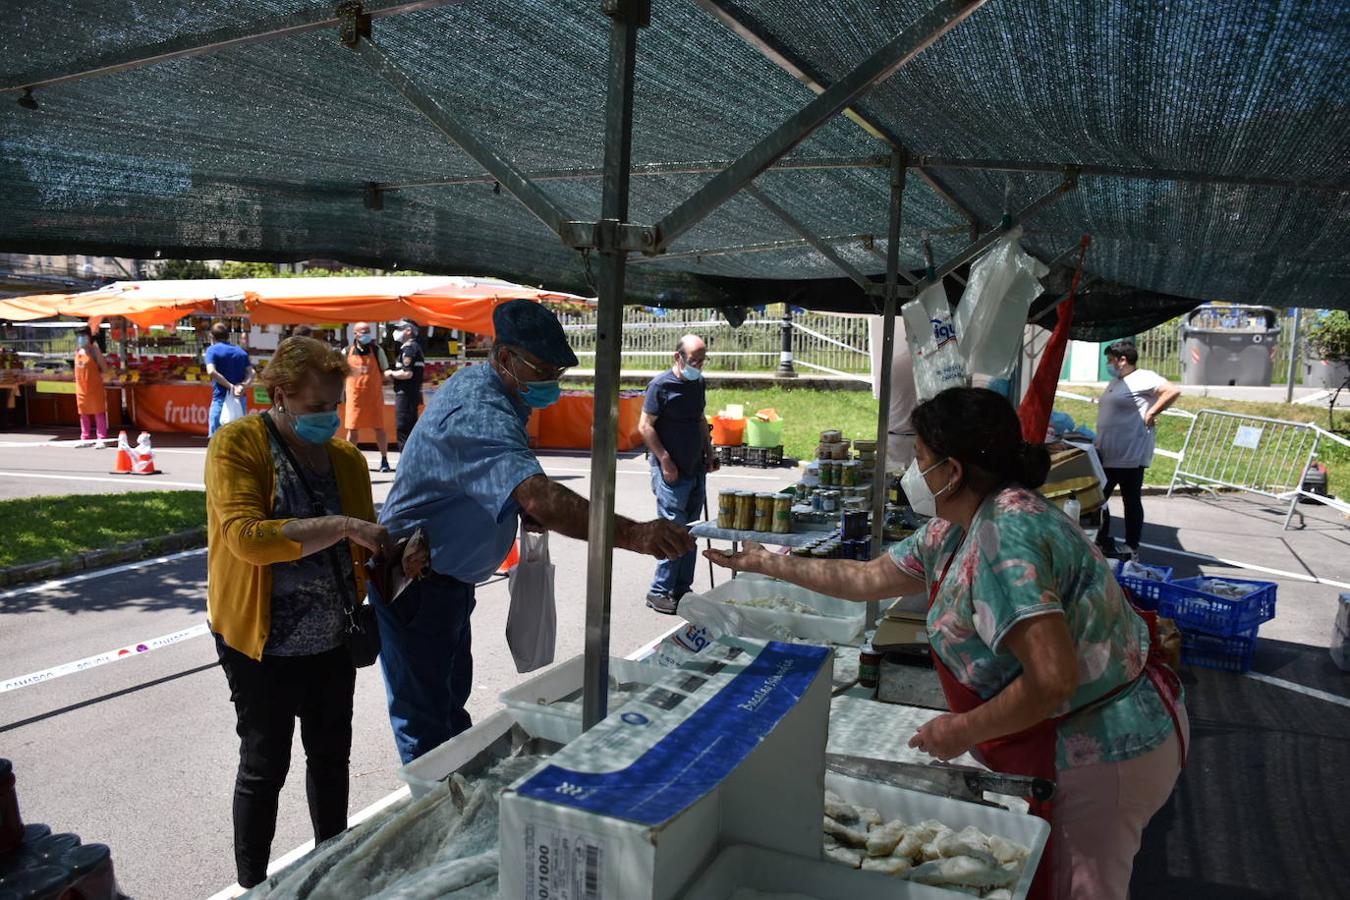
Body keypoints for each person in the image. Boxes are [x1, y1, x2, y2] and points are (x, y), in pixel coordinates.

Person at [708, 387, 1187, 900]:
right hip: (1073, 733)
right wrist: (770, 563)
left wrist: (960, 730)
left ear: (952, 471)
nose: (911, 475)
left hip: (1102, 748)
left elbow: (1052, 681)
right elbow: (868, 578)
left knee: (1079, 888)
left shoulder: (1006, 538)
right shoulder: (959, 526)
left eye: (919, 460)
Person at [376, 299, 696, 764]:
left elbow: (504, 488)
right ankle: (436, 803)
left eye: (558, 373)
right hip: (415, 582)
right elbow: (539, 496)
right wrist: (634, 534)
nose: (552, 383)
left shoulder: (500, 393)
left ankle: (452, 782)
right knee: (426, 725)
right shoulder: (478, 408)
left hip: (446, 581)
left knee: (446, 709)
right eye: (544, 369)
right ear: (505, 358)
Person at [204, 336, 391, 889]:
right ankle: (252, 882)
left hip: (333, 638)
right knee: (265, 767)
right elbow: (246, 539)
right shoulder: (237, 445)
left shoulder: (346, 459)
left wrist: (396, 553)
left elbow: (363, 545)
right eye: (317, 407)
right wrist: (343, 526)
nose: (330, 418)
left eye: (335, 405)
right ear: (279, 395)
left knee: (332, 759)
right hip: (260, 644)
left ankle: (332, 865)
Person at [639, 334, 717, 614]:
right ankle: (658, 590)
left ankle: (682, 587)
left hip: (695, 467)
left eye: (702, 360)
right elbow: (645, 426)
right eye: (694, 360)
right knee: (673, 530)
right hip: (670, 471)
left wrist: (709, 452)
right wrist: (664, 459)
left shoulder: (697, 382)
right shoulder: (660, 386)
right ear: (678, 357)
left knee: (692, 530)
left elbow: (699, 418)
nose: (698, 365)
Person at [1094, 341, 1181, 560]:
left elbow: (1172, 390)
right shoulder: (1117, 381)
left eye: (1110, 360)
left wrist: (1151, 413)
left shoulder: (1144, 377)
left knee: (1129, 500)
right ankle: (1101, 539)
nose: (1108, 364)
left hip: (1129, 453)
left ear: (1123, 360)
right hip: (1108, 451)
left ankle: (1132, 545)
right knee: (1098, 498)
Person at [343, 321, 392, 473]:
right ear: (355, 334)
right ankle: (349, 460)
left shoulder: (377, 350)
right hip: (354, 397)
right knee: (352, 429)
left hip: (373, 397)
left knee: (379, 428)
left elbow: (385, 372)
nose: (366, 335)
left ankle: (384, 460)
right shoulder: (346, 351)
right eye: (363, 332)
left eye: (368, 331)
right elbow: (340, 372)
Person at [205, 323, 255, 438]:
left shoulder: (212, 350)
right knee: (237, 436)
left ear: (212, 336)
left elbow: (211, 371)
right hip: (239, 398)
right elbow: (252, 373)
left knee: (217, 437)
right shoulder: (240, 351)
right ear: (228, 336)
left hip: (221, 397)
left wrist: (229, 386)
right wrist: (242, 386)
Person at [388, 319, 425, 447]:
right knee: (410, 428)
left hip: (406, 394)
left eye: (399, 329)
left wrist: (390, 373)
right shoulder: (414, 348)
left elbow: (407, 373)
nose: (396, 332)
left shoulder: (409, 349)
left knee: (403, 428)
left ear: (408, 331)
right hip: (411, 394)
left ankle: (405, 461)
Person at [73, 323, 110, 448]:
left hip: (94, 387)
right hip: (81, 387)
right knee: (83, 413)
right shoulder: (77, 351)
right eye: (79, 336)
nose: (80, 338)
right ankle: (85, 437)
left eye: (83, 336)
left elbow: (104, 368)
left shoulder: (95, 351)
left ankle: (101, 437)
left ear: (89, 337)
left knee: (98, 412)